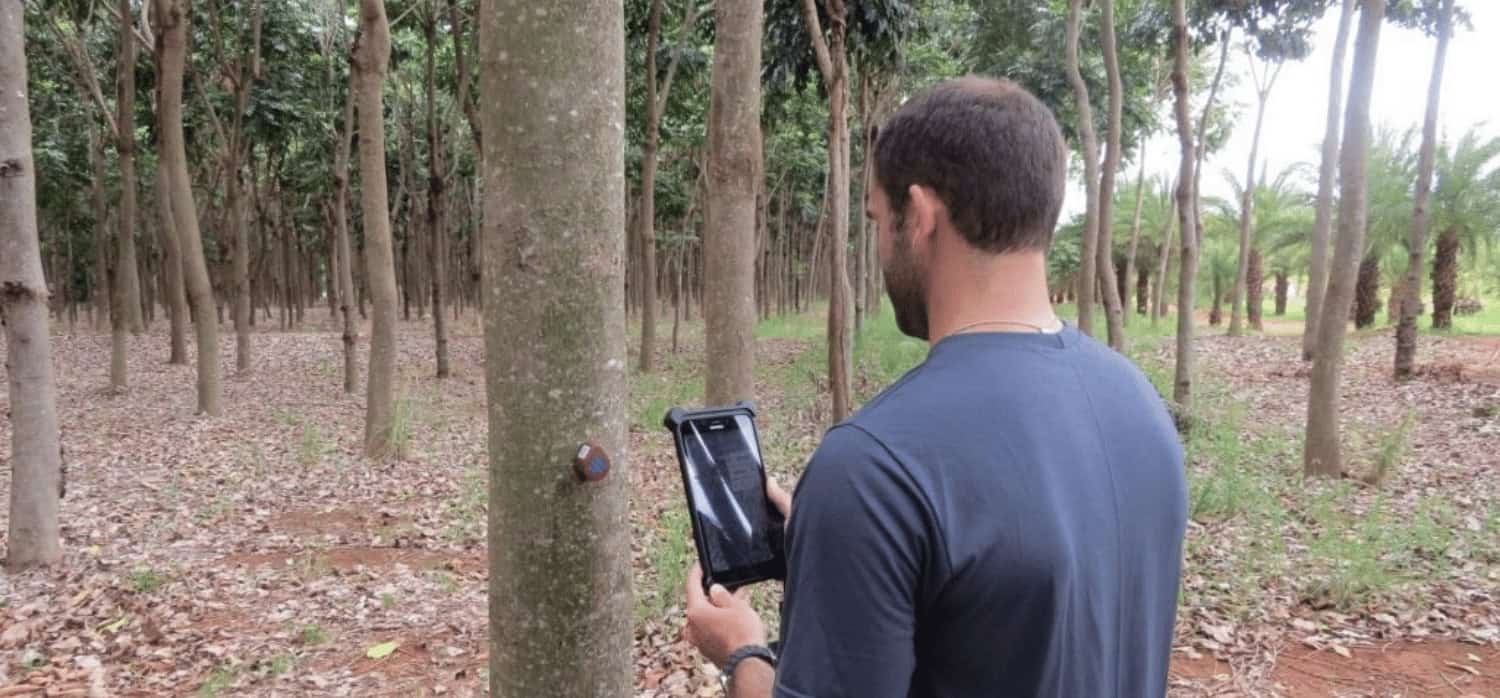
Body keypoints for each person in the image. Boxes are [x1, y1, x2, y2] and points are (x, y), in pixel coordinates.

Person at [682, 76, 1188, 698]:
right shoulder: (1140, 403)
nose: (878, 245)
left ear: (918, 216)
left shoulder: (872, 469)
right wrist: (835, 551)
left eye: (875, 217)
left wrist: (740, 653)